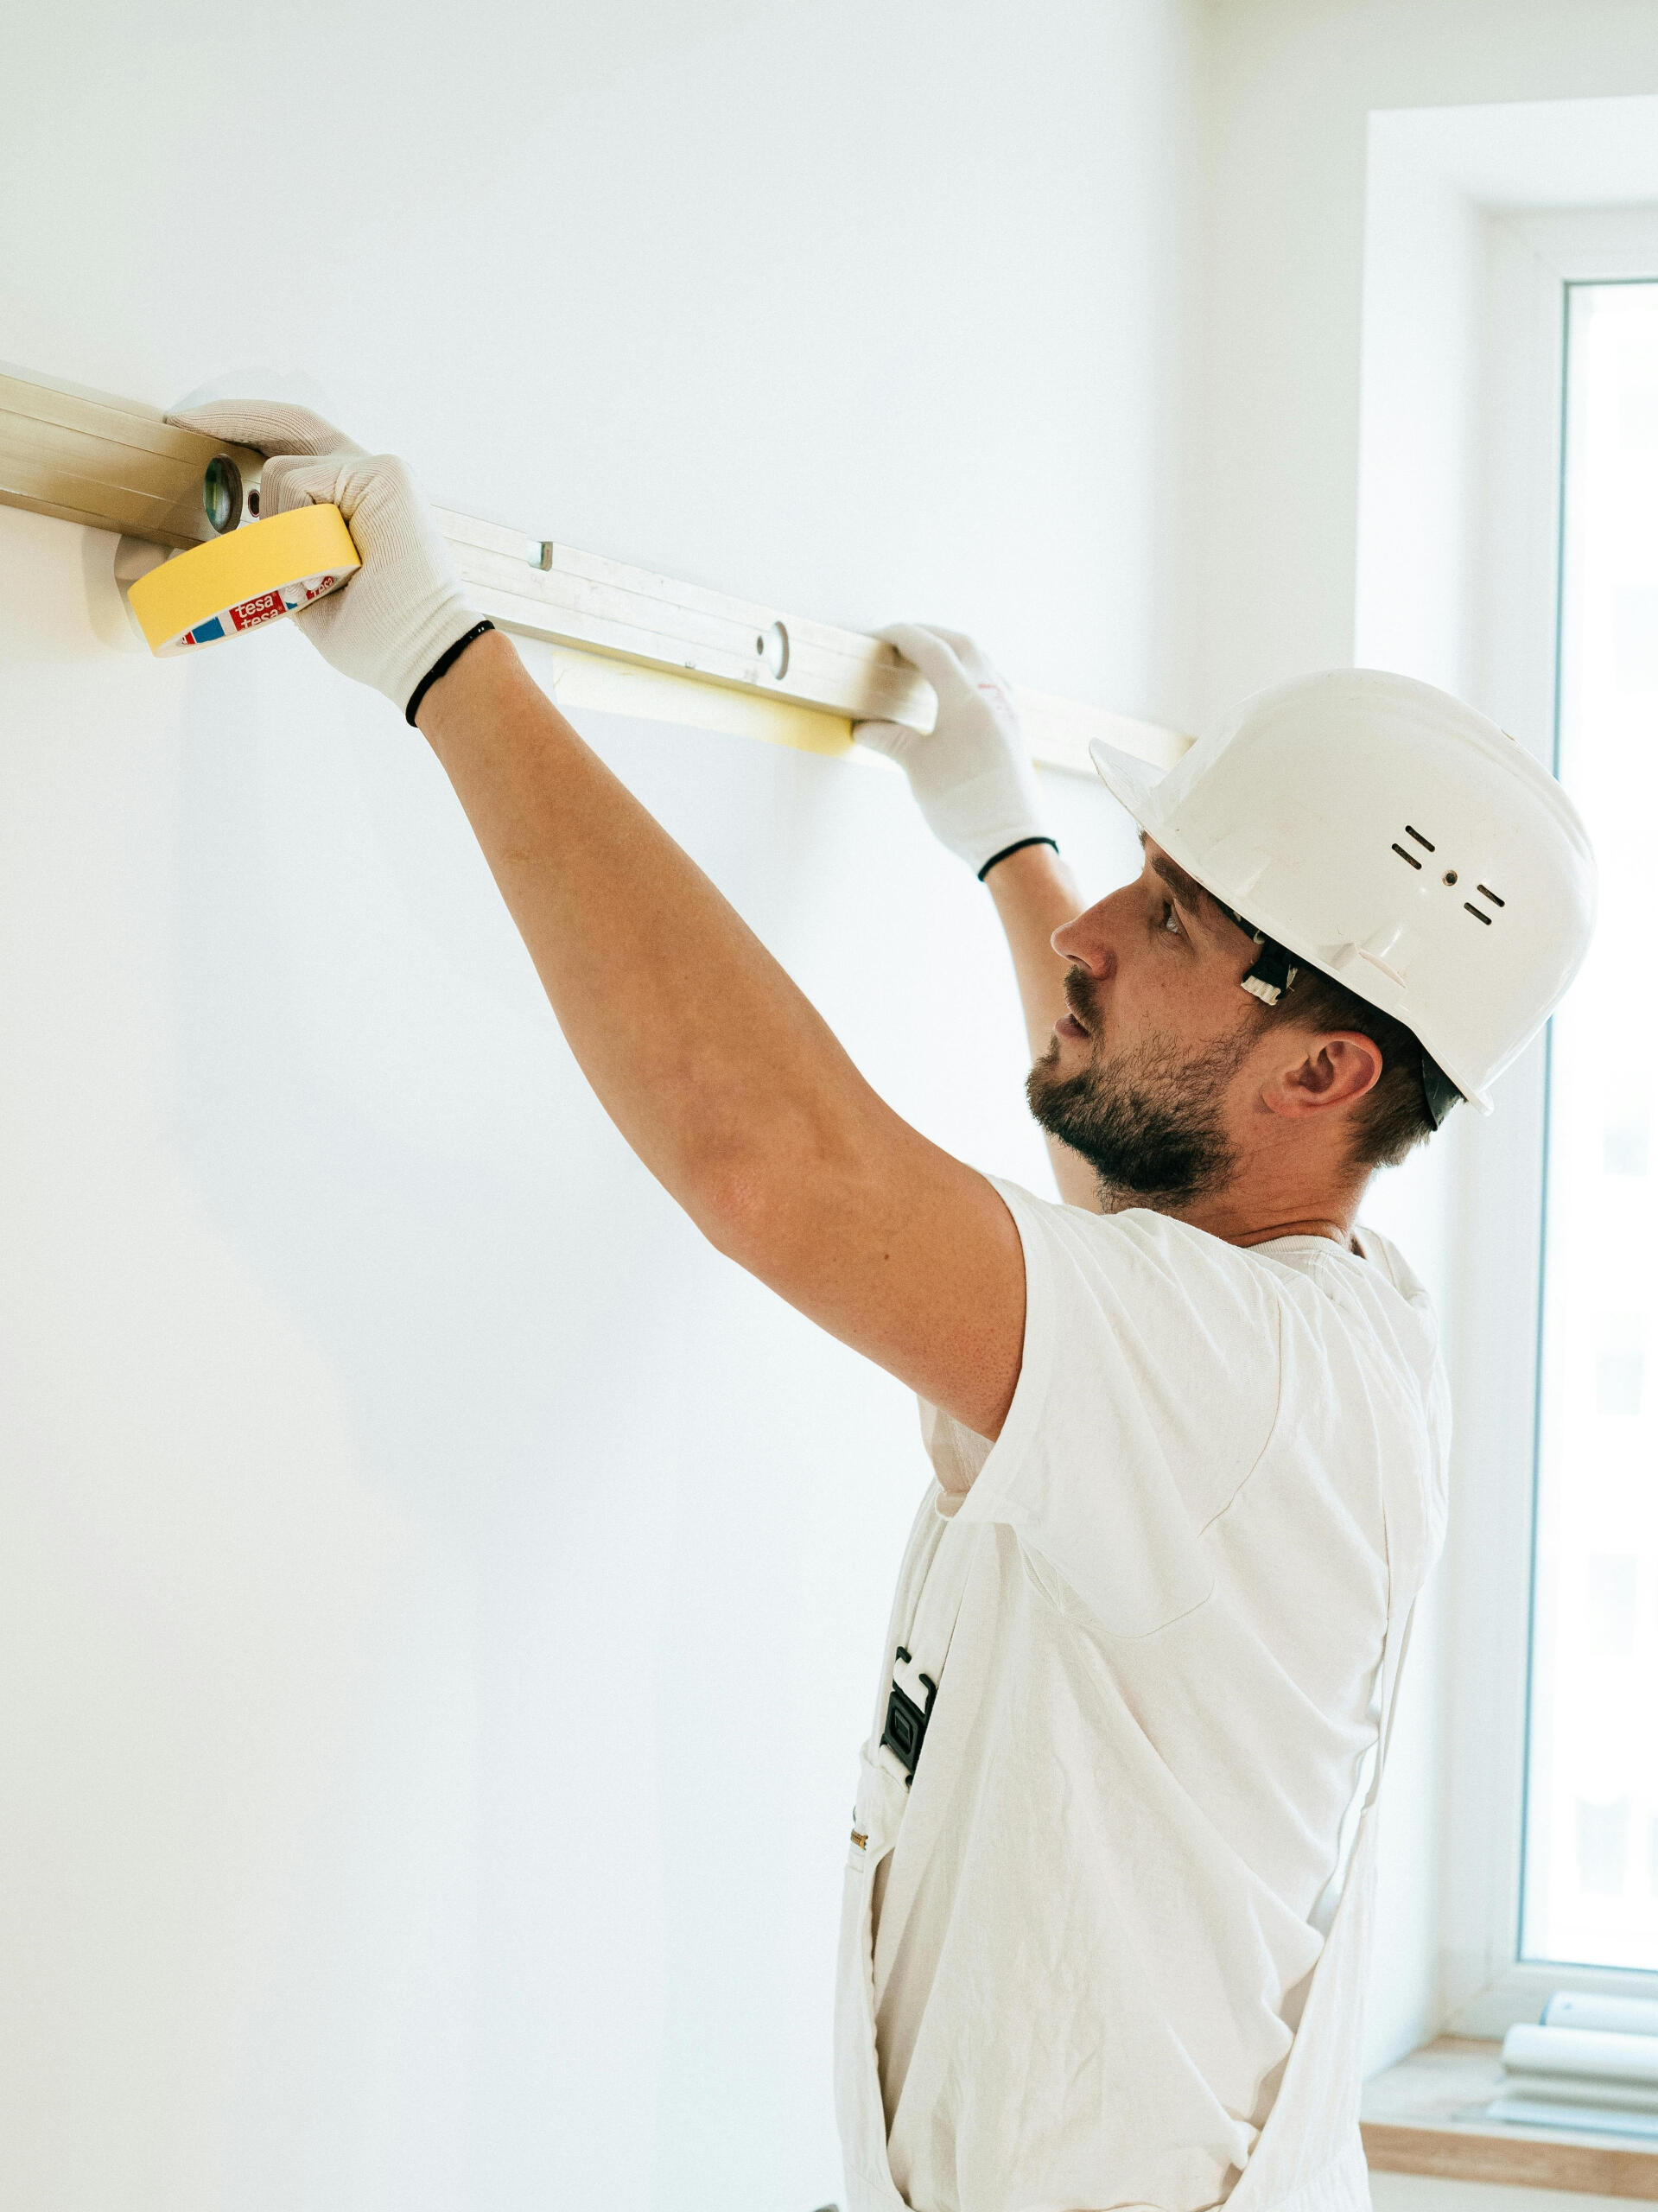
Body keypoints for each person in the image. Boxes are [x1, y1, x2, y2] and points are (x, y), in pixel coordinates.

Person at [168, 404, 1598, 2212]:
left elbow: (775, 1159)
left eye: (1163, 915)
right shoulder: (1282, 1305)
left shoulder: (1249, 1388)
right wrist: (1006, 841)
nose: (1091, 935)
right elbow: (1121, 1176)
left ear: (1320, 1069)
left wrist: (447, 660)